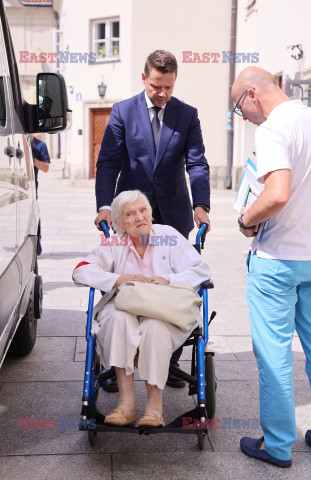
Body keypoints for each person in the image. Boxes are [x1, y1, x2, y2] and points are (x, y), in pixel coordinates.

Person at [94, 49, 211, 388]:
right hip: (132, 210)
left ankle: (166, 359)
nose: (162, 93)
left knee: (169, 280)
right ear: (144, 78)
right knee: (127, 277)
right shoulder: (122, 112)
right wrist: (104, 205)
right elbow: (108, 163)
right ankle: (121, 362)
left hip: (173, 212)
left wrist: (201, 204)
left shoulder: (187, 115)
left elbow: (198, 163)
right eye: (157, 86)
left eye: (169, 88)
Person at [73, 190, 211, 427]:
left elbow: (201, 270)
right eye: (130, 214)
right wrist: (118, 279)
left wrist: (167, 280)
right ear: (119, 224)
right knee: (118, 319)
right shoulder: (115, 242)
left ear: (150, 213)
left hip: (164, 310)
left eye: (143, 210)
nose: (139, 217)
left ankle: (154, 408)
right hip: (124, 308)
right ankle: (126, 406)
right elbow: (81, 270)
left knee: (155, 326)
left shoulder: (168, 236)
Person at [232, 66, 311, 468]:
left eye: (238, 106)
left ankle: (277, 446)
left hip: (278, 259)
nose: (240, 115)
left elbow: (277, 194)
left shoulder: (272, 129)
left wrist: (246, 219)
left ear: (252, 94)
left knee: (274, 355)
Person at [30, 134, 50, 255]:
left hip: (31, 187)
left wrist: (31, 159)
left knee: (33, 215)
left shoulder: (40, 145)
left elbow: (46, 168)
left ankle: (37, 243)